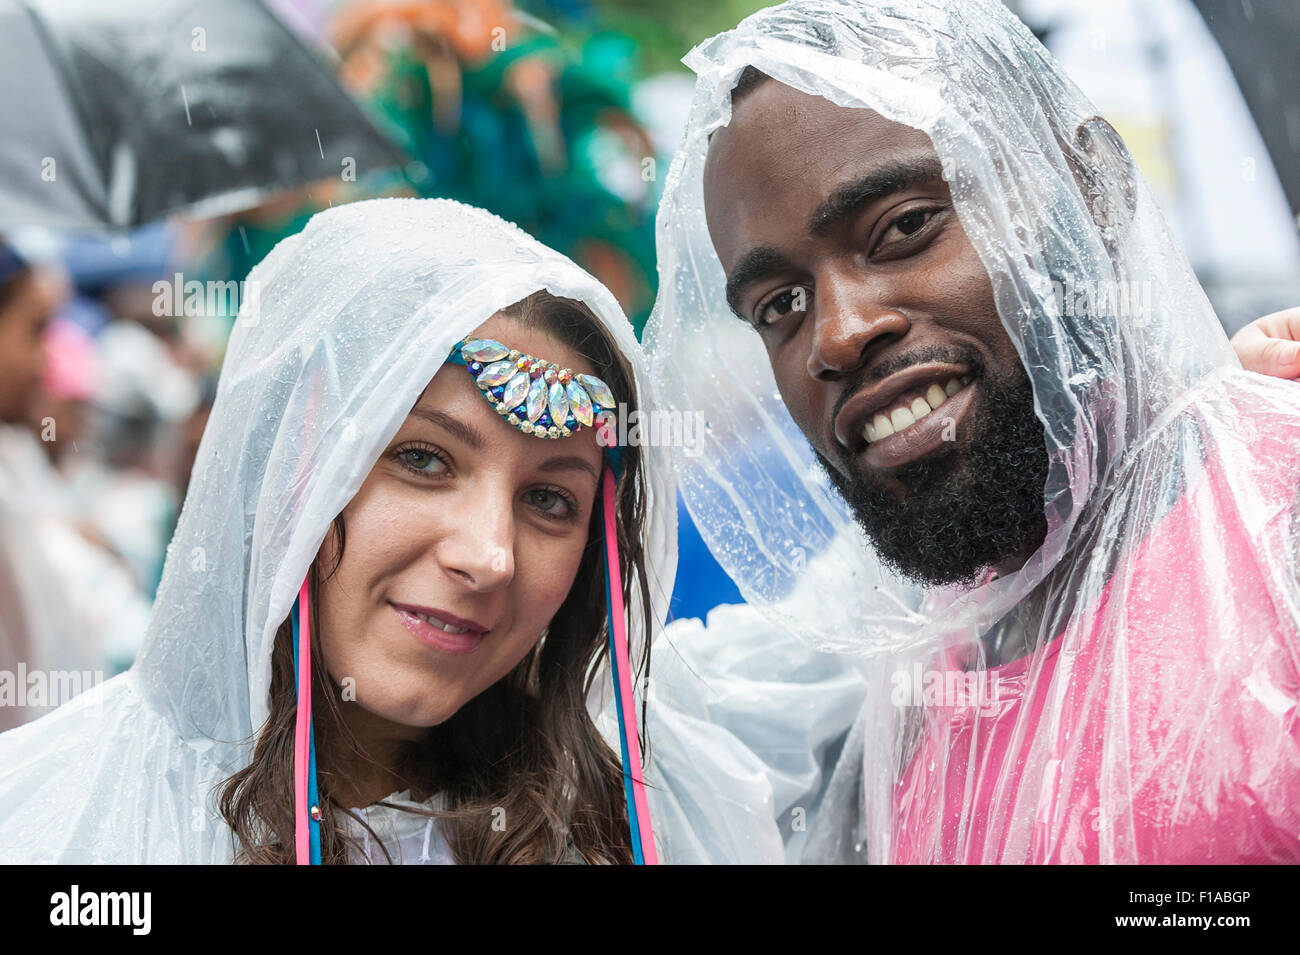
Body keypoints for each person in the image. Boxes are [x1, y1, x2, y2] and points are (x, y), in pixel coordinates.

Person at [645, 0, 1300, 863]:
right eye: (779, 306)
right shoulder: (918, 672)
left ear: (1090, 184)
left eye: (905, 227)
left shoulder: (1275, 520)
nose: (837, 333)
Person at [0, 198, 781, 864]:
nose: (489, 556)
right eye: (422, 458)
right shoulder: (54, 819)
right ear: (295, 471)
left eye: (550, 500)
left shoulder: (656, 824)